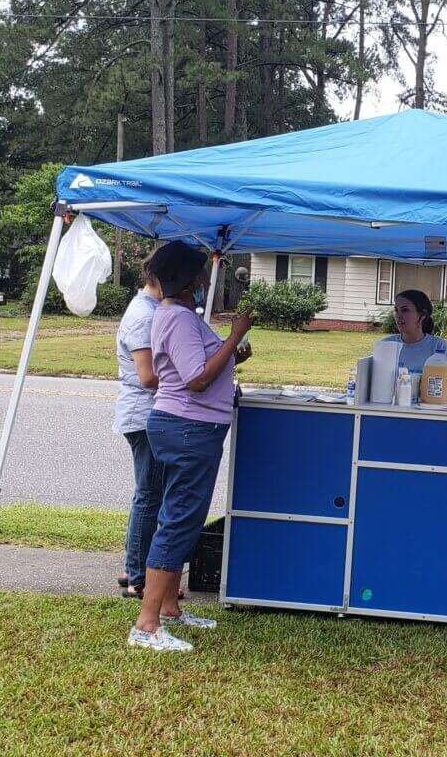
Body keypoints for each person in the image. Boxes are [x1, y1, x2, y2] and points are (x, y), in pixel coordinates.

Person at [127, 240, 253, 652]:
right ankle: (146, 625)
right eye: (199, 274)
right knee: (179, 520)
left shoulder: (179, 315)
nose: (204, 280)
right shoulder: (178, 318)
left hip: (187, 428)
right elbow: (195, 378)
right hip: (187, 429)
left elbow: (200, 366)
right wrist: (233, 338)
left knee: (180, 518)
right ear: (186, 280)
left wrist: (230, 351)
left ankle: (169, 610)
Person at [113, 252, 164, 600]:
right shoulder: (142, 315)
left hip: (149, 415)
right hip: (143, 416)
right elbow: (147, 376)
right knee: (148, 496)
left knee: (151, 496)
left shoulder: (153, 310)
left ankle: (135, 566)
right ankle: (137, 577)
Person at [383, 289, 447, 376]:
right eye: (396, 310)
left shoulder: (439, 347)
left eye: (405, 310)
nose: (399, 315)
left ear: (422, 315)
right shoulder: (386, 345)